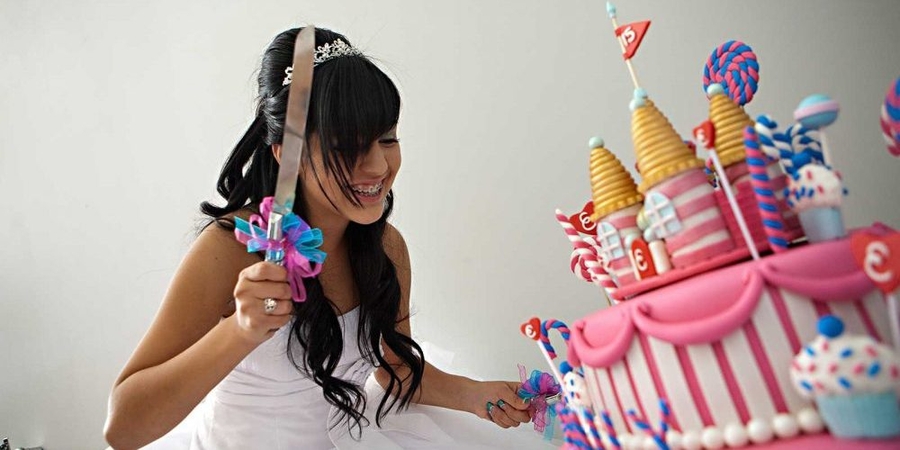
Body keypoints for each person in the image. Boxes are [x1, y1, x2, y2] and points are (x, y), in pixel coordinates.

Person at [103, 27, 543, 449]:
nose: (378, 167)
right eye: (347, 146)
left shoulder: (386, 248)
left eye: (387, 138)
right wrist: (240, 331)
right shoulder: (232, 249)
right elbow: (123, 428)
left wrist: (476, 395)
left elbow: (394, 368)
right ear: (287, 154)